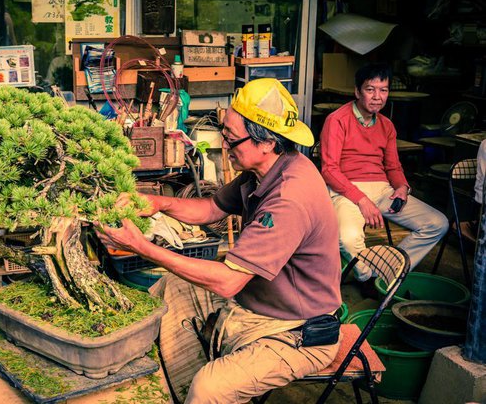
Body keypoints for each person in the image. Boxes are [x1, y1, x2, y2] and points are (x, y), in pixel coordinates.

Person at [95, 78, 342, 403]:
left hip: (295, 329)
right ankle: (171, 383)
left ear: (266, 142)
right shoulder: (263, 170)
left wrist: (140, 246)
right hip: (260, 303)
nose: (224, 146)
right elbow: (211, 207)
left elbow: (228, 282)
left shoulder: (289, 198)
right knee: (172, 288)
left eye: (231, 139)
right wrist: (156, 202)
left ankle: (190, 387)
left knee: (210, 388)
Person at [320, 63, 448, 288]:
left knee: (437, 223)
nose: (377, 97)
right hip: (346, 190)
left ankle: (386, 271)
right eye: (370, 89)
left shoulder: (387, 126)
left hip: (382, 190)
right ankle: (367, 276)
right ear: (357, 91)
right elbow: (329, 169)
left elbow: (393, 167)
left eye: (384, 90)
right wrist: (361, 199)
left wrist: (402, 187)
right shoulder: (337, 120)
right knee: (348, 238)